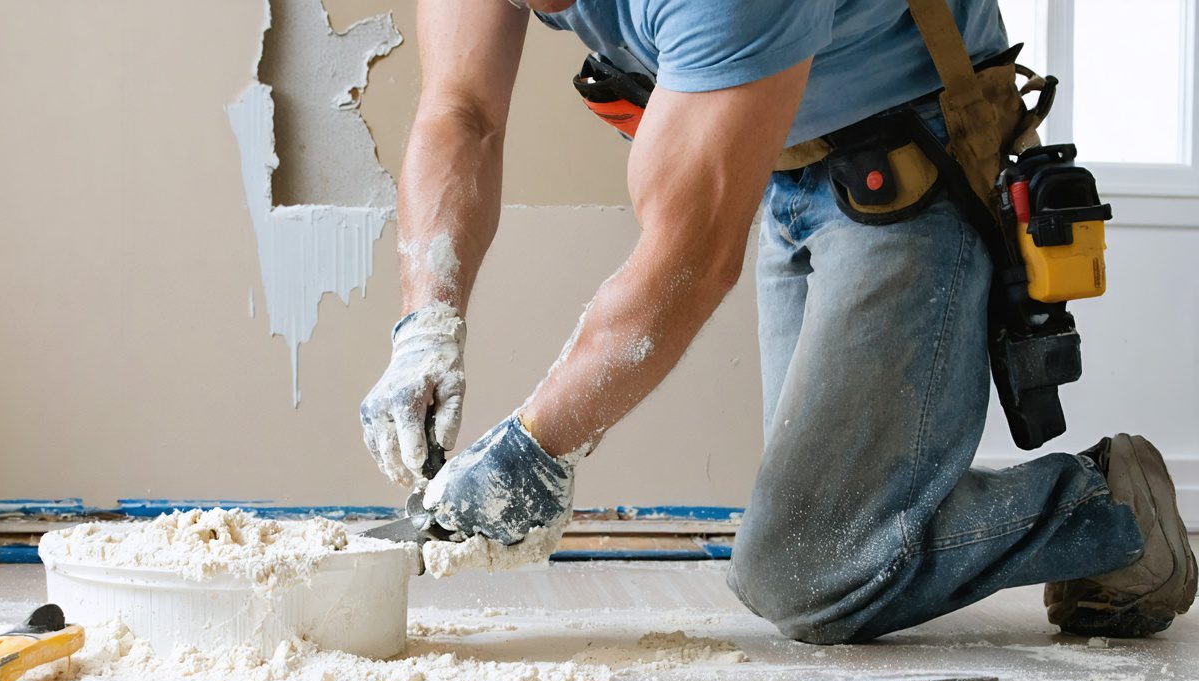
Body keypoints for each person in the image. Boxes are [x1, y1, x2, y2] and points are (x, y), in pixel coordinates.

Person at [359, 0, 1195, 644]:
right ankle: (916, 517)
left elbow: (687, 260)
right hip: (790, 163)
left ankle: (1111, 507)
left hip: (917, 169)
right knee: (830, 528)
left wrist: (535, 452)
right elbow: (461, 114)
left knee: (803, 567)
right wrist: (423, 327)